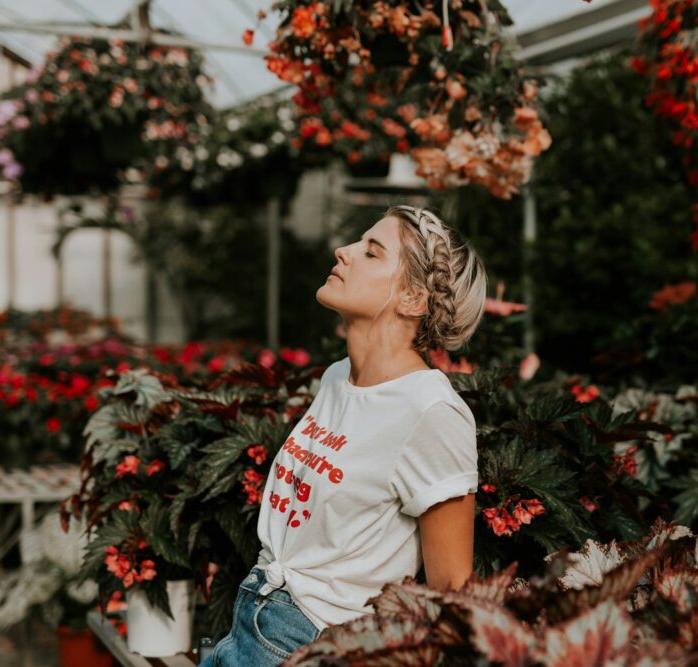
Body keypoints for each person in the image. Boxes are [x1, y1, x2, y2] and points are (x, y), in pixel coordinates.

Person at [200, 205, 487, 666]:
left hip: (313, 645)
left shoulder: (431, 410)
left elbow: (451, 595)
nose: (343, 251)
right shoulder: (337, 378)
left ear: (413, 299)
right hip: (251, 620)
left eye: (371, 252)